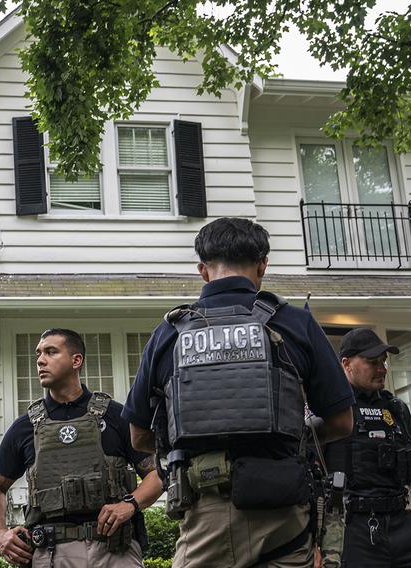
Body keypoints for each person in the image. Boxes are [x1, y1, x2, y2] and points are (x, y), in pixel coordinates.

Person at [123, 217, 355, 568]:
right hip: (284, 511)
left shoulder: (168, 334)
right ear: (263, 264)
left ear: (203, 270)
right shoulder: (294, 323)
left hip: (206, 516)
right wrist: (296, 430)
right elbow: (341, 422)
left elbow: (139, 436)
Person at [0, 328, 162, 567]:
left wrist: (129, 505)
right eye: (39, 353)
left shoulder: (115, 416)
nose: (40, 360)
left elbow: (156, 474)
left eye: (51, 352)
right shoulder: (25, 427)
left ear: (76, 360)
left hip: (114, 550)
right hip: (52, 553)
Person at [325, 328, 411, 568]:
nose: (382, 369)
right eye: (372, 362)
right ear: (346, 364)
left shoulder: (397, 410)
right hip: (352, 527)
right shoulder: (329, 409)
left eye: (384, 362)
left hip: (400, 522)